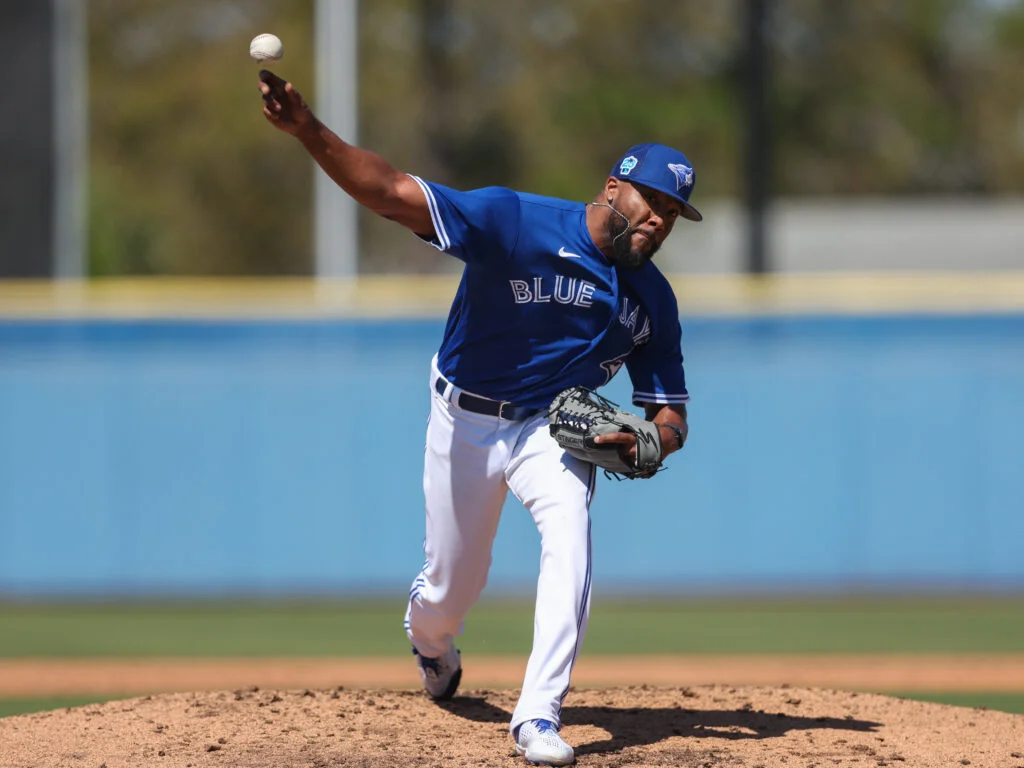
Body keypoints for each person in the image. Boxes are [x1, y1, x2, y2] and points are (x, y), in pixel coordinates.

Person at [258, 69, 698, 766]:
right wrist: (308, 130)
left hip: (550, 429)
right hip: (464, 416)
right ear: (613, 187)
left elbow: (669, 413)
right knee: (450, 587)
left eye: (673, 213)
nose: (659, 220)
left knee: (571, 534)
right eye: (653, 200)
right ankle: (431, 644)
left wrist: (651, 443)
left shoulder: (652, 301)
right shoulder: (516, 222)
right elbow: (391, 192)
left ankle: (537, 716)